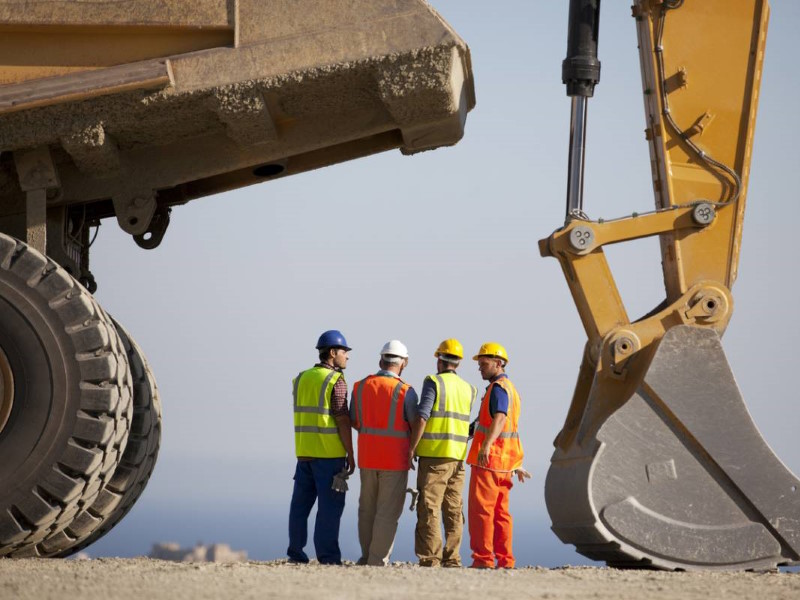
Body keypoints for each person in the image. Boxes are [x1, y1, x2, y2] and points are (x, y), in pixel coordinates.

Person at [287, 329, 356, 565]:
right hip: (329, 455)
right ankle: (328, 558)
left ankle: (295, 553)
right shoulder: (335, 381)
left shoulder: (301, 377)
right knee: (330, 510)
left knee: (300, 507)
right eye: (344, 351)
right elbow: (342, 418)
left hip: (304, 453)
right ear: (333, 352)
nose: (347, 356)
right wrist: (351, 452)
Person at [408, 338, 477, 568]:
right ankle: (453, 558)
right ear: (458, 362)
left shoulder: (433, 382)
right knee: (453, 509)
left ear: (439, 359)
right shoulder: (469, 389)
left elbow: (422, 416)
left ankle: (431, 558)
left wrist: (411, 448)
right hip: (458, 458)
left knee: (429, 507)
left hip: (435, 456)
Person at [350, 340, 418, 566]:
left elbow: (355, 420)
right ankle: (377, 560)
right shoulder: (406, 391)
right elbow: (415, 424)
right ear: (404, 363)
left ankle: (366, 555)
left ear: (381, 360)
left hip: (367, 458)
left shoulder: (360, 386)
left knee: (366, 509)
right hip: (394, 461)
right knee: (386, 513)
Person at [466, 342, 530, 569]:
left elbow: (500, 418)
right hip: (505, 464)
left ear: (498, 363)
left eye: (484, 364)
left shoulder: (498, 389)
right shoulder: (511, 388)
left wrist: (485, 447)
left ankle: (483, 560)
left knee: (481, 512)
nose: (480, 368)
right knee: (501, 514)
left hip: (489, 461)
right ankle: (505, 560)